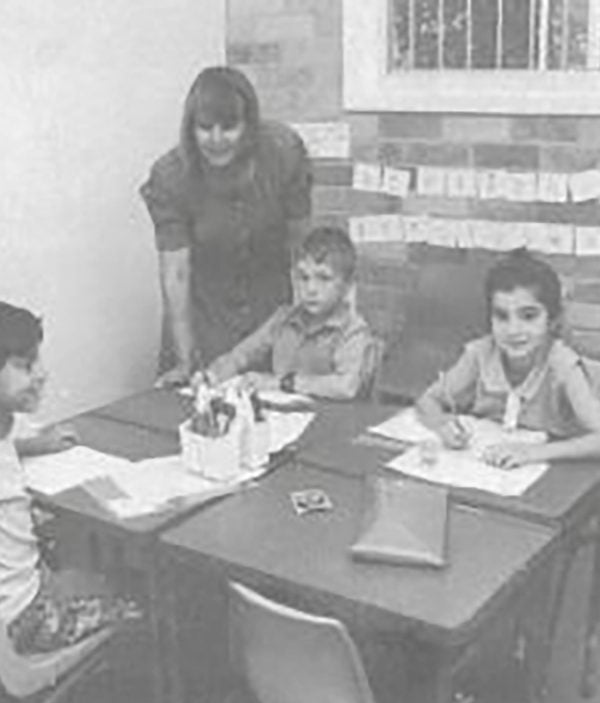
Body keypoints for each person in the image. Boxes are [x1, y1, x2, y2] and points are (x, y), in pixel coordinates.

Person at [140, 66, 313, 387]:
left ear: (249, 125)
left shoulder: (284, 153)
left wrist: (305, 323)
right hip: (203, 319)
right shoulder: (170, 177)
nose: (216, 140)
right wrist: (185, 357)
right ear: (190, 127)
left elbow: (303, 246)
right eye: (205, 128)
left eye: (229, 127)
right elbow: (176, 272)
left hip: (270, 316)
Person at [0, 302, 140, 654]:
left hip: (15, 601)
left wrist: (32, 443)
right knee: (137, 589)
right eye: (25, 364)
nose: (42, 373)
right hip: (25, 619)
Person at [416, 248, 600, 468]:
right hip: (492, 465)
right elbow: (427, 400)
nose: (513, 330)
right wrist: (443, 424)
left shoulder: (562, 363)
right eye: (502, 316)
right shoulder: (480, 354)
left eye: (529, 316)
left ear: (551, 320)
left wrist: (534, 453)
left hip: (559, 472)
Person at [205, 226, 378, 401]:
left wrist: (283, 383)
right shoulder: (284, 318)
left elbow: (346, 387)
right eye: (303, 277)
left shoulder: (353, 330)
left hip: (329, 420)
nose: (311, 289)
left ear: (346, 286)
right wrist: (212, 376)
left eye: (324, 278)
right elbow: (241, 355)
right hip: (282, 417)